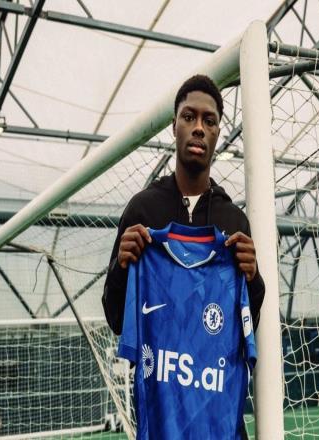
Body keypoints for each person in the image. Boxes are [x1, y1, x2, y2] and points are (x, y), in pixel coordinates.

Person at [102, 74, 265, 335]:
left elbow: (245, 329)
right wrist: (120, 267)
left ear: (217, 133)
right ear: (174, 125)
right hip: (154, 362)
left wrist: (253, 279)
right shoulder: (142, 210)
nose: (199, 128)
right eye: (189, 117)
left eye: (209, 121)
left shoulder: (234, 222)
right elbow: (116, 321)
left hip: (212, 363)